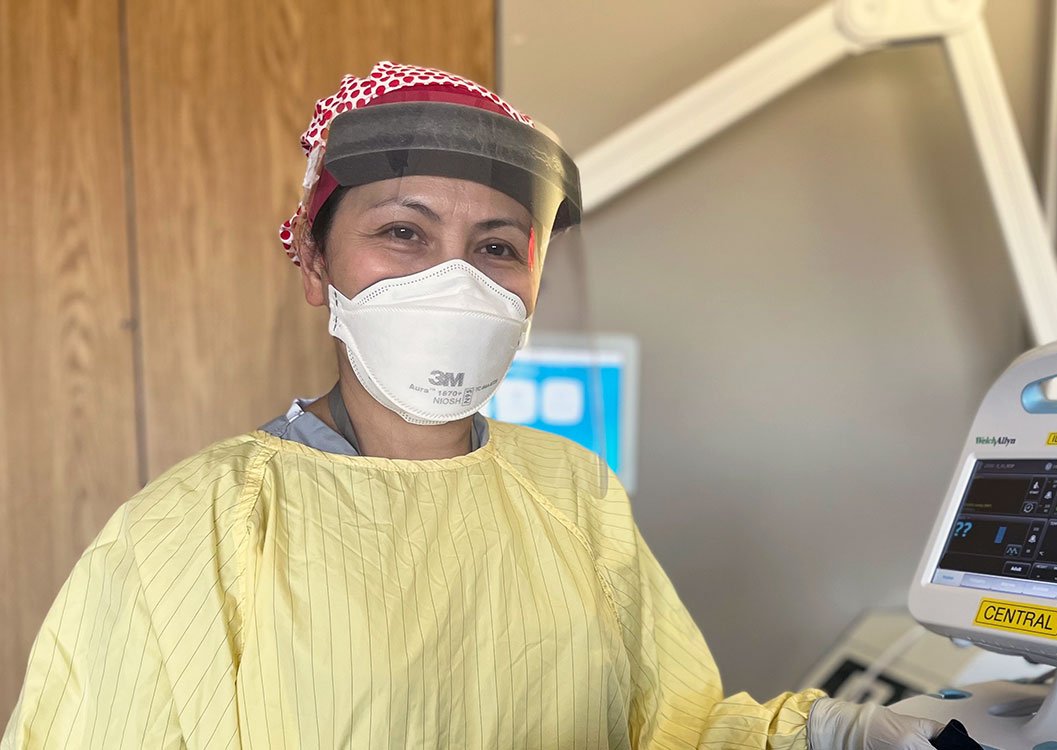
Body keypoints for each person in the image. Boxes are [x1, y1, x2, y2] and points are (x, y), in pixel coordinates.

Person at [2, 62, 977, 750]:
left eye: (498, 246)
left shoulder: (571, 492)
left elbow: (670, 731)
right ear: (314, 264)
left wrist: (837, 736)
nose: (455, 282)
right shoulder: (187, 532)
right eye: (402, 233)